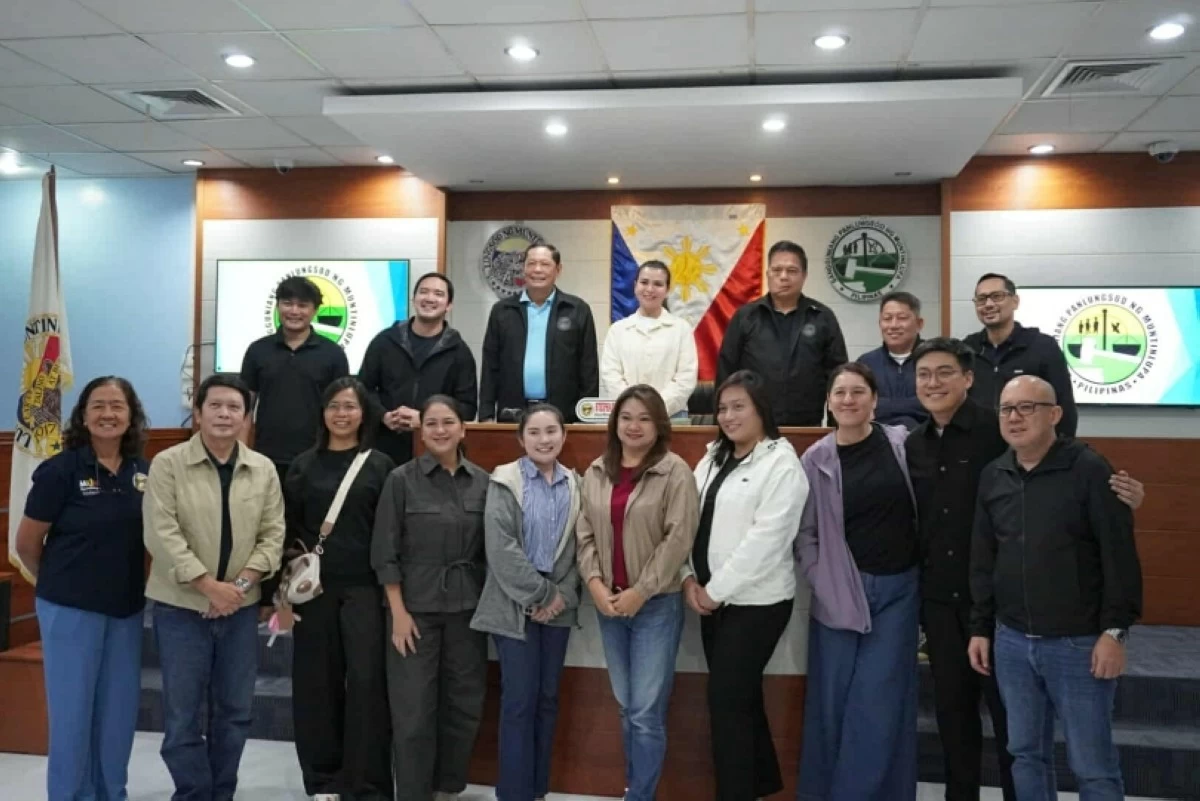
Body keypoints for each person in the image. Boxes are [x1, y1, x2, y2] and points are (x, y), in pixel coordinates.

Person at [908, 338, 1145, 801]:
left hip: (1043, 623)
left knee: (1064, 752)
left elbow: (1114, 548)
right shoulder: (925, 448)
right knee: (983, 732)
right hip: (963, 611)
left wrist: (1115, 629)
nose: (1015, 417)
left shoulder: (1030, 445)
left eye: (944, 372)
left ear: (969, 379)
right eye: (923, 374)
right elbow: (964, 541)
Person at [969, 376, 1143, 801]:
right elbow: (983, 560)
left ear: (1055, 414)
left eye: (1027, 407)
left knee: (1092, 767)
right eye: (1007, 409)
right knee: (1025, 754)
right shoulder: (994, 475)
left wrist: (1115, 631)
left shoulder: (1090, 470)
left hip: (1078, 644)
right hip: (1011, 642)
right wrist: (981, 627)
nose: (1014, 417)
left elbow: (1119, 557)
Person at [143, 373, 285, 801]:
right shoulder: (167, 464)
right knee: (183, 714)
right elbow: (161, 534)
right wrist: (208, 586)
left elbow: (272, 536)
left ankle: (222, 793)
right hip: (180, 607)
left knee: (235, 712)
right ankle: (192, 793)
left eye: (234, 407)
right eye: (216, 406)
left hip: (239, 609)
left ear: (246, 416)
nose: (225, 414)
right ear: (198, 412)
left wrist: (235, 589)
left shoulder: (263, 469)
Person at [14, 377, 149, 801]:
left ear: (131, 416)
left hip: (126, 610)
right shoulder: (60, 470)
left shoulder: (144, 472)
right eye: (98, 405)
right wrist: (60, 583)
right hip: (70, 610)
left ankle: (111, 793)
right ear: (83, 415)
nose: (108, 414)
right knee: (72, 715)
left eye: (117, 406)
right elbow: (26, 544)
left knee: (117, 716)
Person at [795, 362, 919, 801]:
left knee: (880, 704)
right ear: (829, 402)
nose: (848, 400)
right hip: (839, 595)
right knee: (830, 706)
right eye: (840, 392)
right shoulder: (816, 459)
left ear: (874, 399)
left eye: (858, 392)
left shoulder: (902, 444)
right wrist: (823, 582)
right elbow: (805, 535)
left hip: (899, 593)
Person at [683, 370, 808, 801]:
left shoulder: (782, 464)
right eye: (722, 408)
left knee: (726, 704)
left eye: (739, 407)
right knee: (741, 699)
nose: (728, 416)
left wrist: (713, 591)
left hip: (757, 604)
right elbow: (687, 518)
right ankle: (759, 786)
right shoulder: (713, 456)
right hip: (710, 600)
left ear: (761, 410)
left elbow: (766, 541)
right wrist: (687, 577)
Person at [576, 385, 700, 801]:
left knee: (646, 712)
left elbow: (678, 540)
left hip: (656, 606)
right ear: (615, 423)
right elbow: (584, 535)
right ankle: (635, 787)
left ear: (659, 424)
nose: (634, 426)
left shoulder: (675, 471)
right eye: (627, 417)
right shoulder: (597, 471)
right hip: (608, 604)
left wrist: (641, 592)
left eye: (645, 418)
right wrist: (595, 584)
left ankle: (639, 796)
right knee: (626, 707)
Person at [279, 377, 396, 800]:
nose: (341, 414)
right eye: (333, 405)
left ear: (364, 414)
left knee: (367, 685)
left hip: (366, 591)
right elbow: (287, 531)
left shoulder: (380, 465)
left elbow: (390, 532)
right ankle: (323, 781)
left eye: (350, 406)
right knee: (317, 686)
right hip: (315, 593)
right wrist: (282, 597)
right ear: (322, 412)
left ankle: (367, 784)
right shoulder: (302, 465)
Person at [372, 394, 491, 801]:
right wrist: (398, 613)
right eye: (432, 424)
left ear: (463, 428)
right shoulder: (401, 480)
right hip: (414, 613)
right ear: (421, 432)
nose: (440, 430)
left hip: (468, 611)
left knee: (464, 705)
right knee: (413, 712)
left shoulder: (484, 482)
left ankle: (447, 788)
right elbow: (384, 552)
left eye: (448, 422)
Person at [470, 404, 582, 801]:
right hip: (513, 604)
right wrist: (543, 595)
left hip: (558, 608)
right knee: (519, 701)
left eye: (551, 431)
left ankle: (537, 791)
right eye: (534, 432)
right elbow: (501, 551)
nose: (544, 439)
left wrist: (561, 596)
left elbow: (581, 549)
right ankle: (514, 794)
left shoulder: (576, 484)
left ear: (564, 435)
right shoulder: (504, 481)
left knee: (547, 700)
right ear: (521, 439)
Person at [718, 240, 848, 426]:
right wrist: (724, 424)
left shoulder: (822, 317)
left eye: (792, 271)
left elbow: (838, 377)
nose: (784, 277)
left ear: (804, 276)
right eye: (777, 270)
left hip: (806, 426)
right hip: (753, 425)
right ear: (768, 274)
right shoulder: (746, 316)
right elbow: (726, 373)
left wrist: (837, 428)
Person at [240, 275, 350, 485]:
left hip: (318, 459)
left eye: (302, 305)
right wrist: (243, 455)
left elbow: (341, 411)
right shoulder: (257, 350)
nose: (294, 311)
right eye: (287, 303)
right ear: (277, 306)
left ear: (314, 310)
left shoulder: (333, 354)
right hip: (266, 458)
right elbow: (245, 408)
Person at [359, 272, 478, 465]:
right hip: (383, 447)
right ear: (414, 299)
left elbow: (467, 407)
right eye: (424, 292)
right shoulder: (384, 341)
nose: (430, 298)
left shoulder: (459, 352)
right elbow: (363, 389)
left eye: (438, 294)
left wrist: (425, 420)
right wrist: (383, 415)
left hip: (435, 452)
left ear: (449, 305)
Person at [479, 243, 599, 423]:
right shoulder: (502, 311)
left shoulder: (577, 309)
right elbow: (490, 366)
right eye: (531, 263)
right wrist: (486, 414)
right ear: (523, 268)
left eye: (545, 264)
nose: (537, 269)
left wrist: (587, 418)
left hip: (563, 415)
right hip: (513, 412)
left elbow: (588, 369)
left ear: (558, 270)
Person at [963, 273, 1077, 437]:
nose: (988, 304)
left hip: (1030, 447)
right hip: (978, 446)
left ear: (1015, 301)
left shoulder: (1043, 346)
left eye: (997, 296)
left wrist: (1060, 449)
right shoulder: (967, 349)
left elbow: (1065, 406)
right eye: (981, 299)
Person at [601, 259, 698, 418]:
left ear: (667, 290)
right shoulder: (617, 330)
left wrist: (655, 408)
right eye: (644, 282)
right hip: (628, 415)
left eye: (658, 284)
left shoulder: (681, 329)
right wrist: (634, 408)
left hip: (671, 415)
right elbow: (611, 376)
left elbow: (686, 378)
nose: (650, 289)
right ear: (635, 286)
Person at [856, 290, 927, 429]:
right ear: (880, 324)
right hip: (878, 439)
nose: (893, 325)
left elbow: (940, 404)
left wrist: (882, 405)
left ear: (919, 324)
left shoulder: (934, 359)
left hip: (928, 438)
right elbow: (859, 405)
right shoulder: (866, 363)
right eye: (887, 319)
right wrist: (916, 405)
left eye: (902, 318)